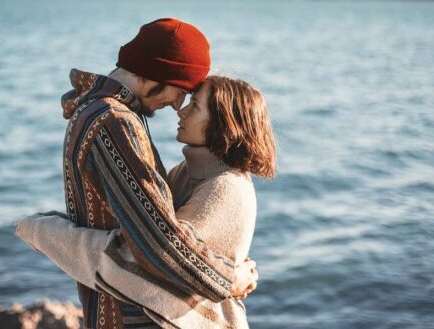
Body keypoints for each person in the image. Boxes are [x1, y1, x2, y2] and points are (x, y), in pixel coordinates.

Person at [16, 18, 258, 328]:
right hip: (131, 315)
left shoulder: (102, 112)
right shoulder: (113, 122)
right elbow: (160, 244)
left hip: (118, 305)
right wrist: (229, 279)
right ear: (158, 73)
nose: (176, 104)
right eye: (181, 90)